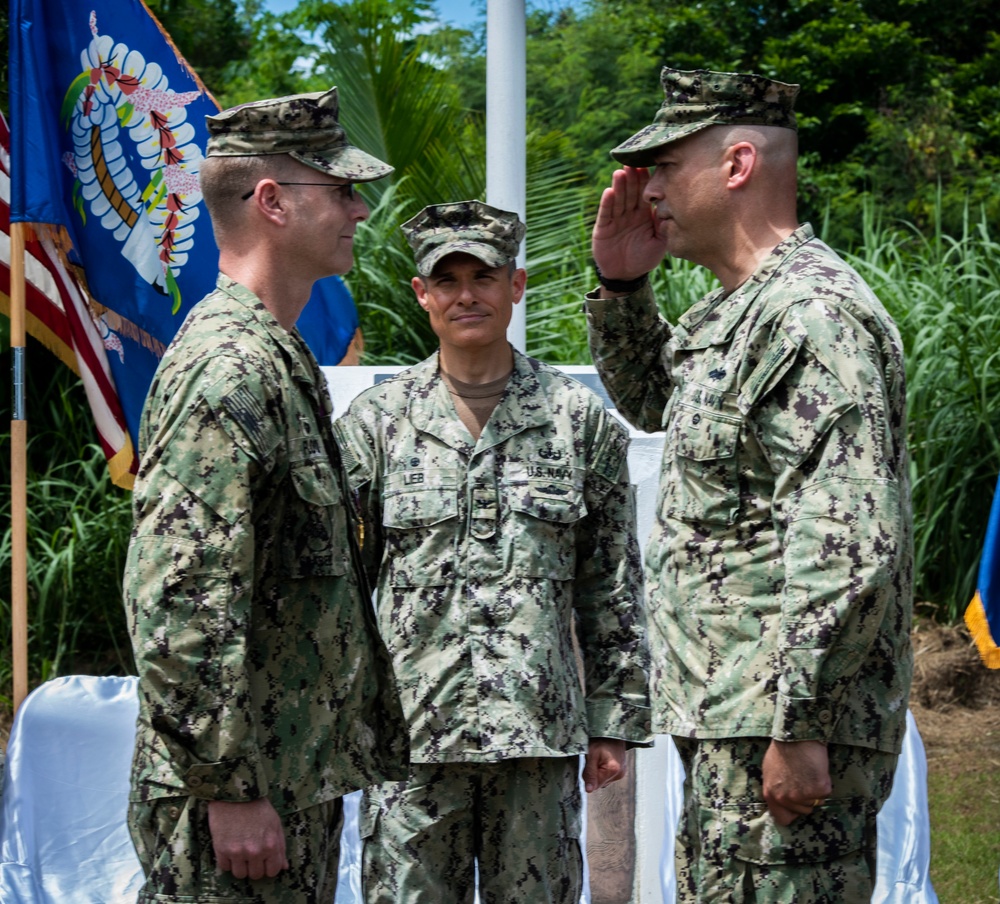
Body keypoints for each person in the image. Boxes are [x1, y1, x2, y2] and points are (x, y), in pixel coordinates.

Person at [584, 67, 914, 902]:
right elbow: (662, 404)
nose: (647, 187)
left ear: (736, 165)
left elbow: (848, 540)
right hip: (733, 713)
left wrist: (799, 724)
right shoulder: (737, 311)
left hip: (778, 722)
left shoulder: (810, 315)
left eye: (665, 165)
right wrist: (624, 288)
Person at [122, 87, 408, 903]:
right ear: (273, 202)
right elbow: (180, 600)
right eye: (341, 188)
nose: (358, 208)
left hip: (284, 778)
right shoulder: (229, 369)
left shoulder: (277, 360)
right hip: (239, 801)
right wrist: (229, 786)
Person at [333, 200, 652, 904]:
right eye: (446, 279)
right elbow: (343, 588)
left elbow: (611, 586)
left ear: (517, 284)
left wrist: (615, 724)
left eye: (484, 274)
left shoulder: (576, 421)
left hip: (533, 741)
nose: (466, 294)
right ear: (422, 294)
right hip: (411, 741)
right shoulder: (376, 427)